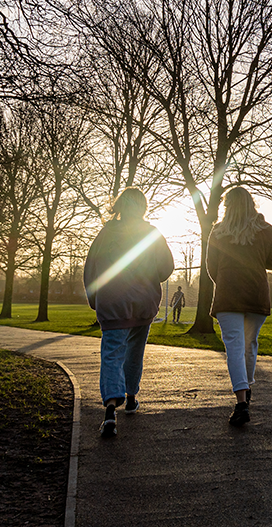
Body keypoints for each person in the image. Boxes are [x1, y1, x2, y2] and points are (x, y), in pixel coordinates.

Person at [84, 187, 174, 438]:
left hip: (112, 302)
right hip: (143, 303)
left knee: (112, 353)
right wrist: (149, 279)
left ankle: (111, 410)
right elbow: (167, 267)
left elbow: (90, 268)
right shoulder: (151, 233)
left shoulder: (105, 233)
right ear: (143, 207)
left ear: (119, 206)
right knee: (135, 352)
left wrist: (94, 298)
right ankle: (131, 396)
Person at [206, 186, 272, 426]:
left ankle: (241, 401)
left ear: (227, 206)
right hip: (256, 293)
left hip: (228, 295)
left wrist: (225, 280)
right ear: (252, 204)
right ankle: (246, 388)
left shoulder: (218, 232)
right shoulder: (265, 230)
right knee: (249, 345)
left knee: (234, 346)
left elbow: (212, 267)